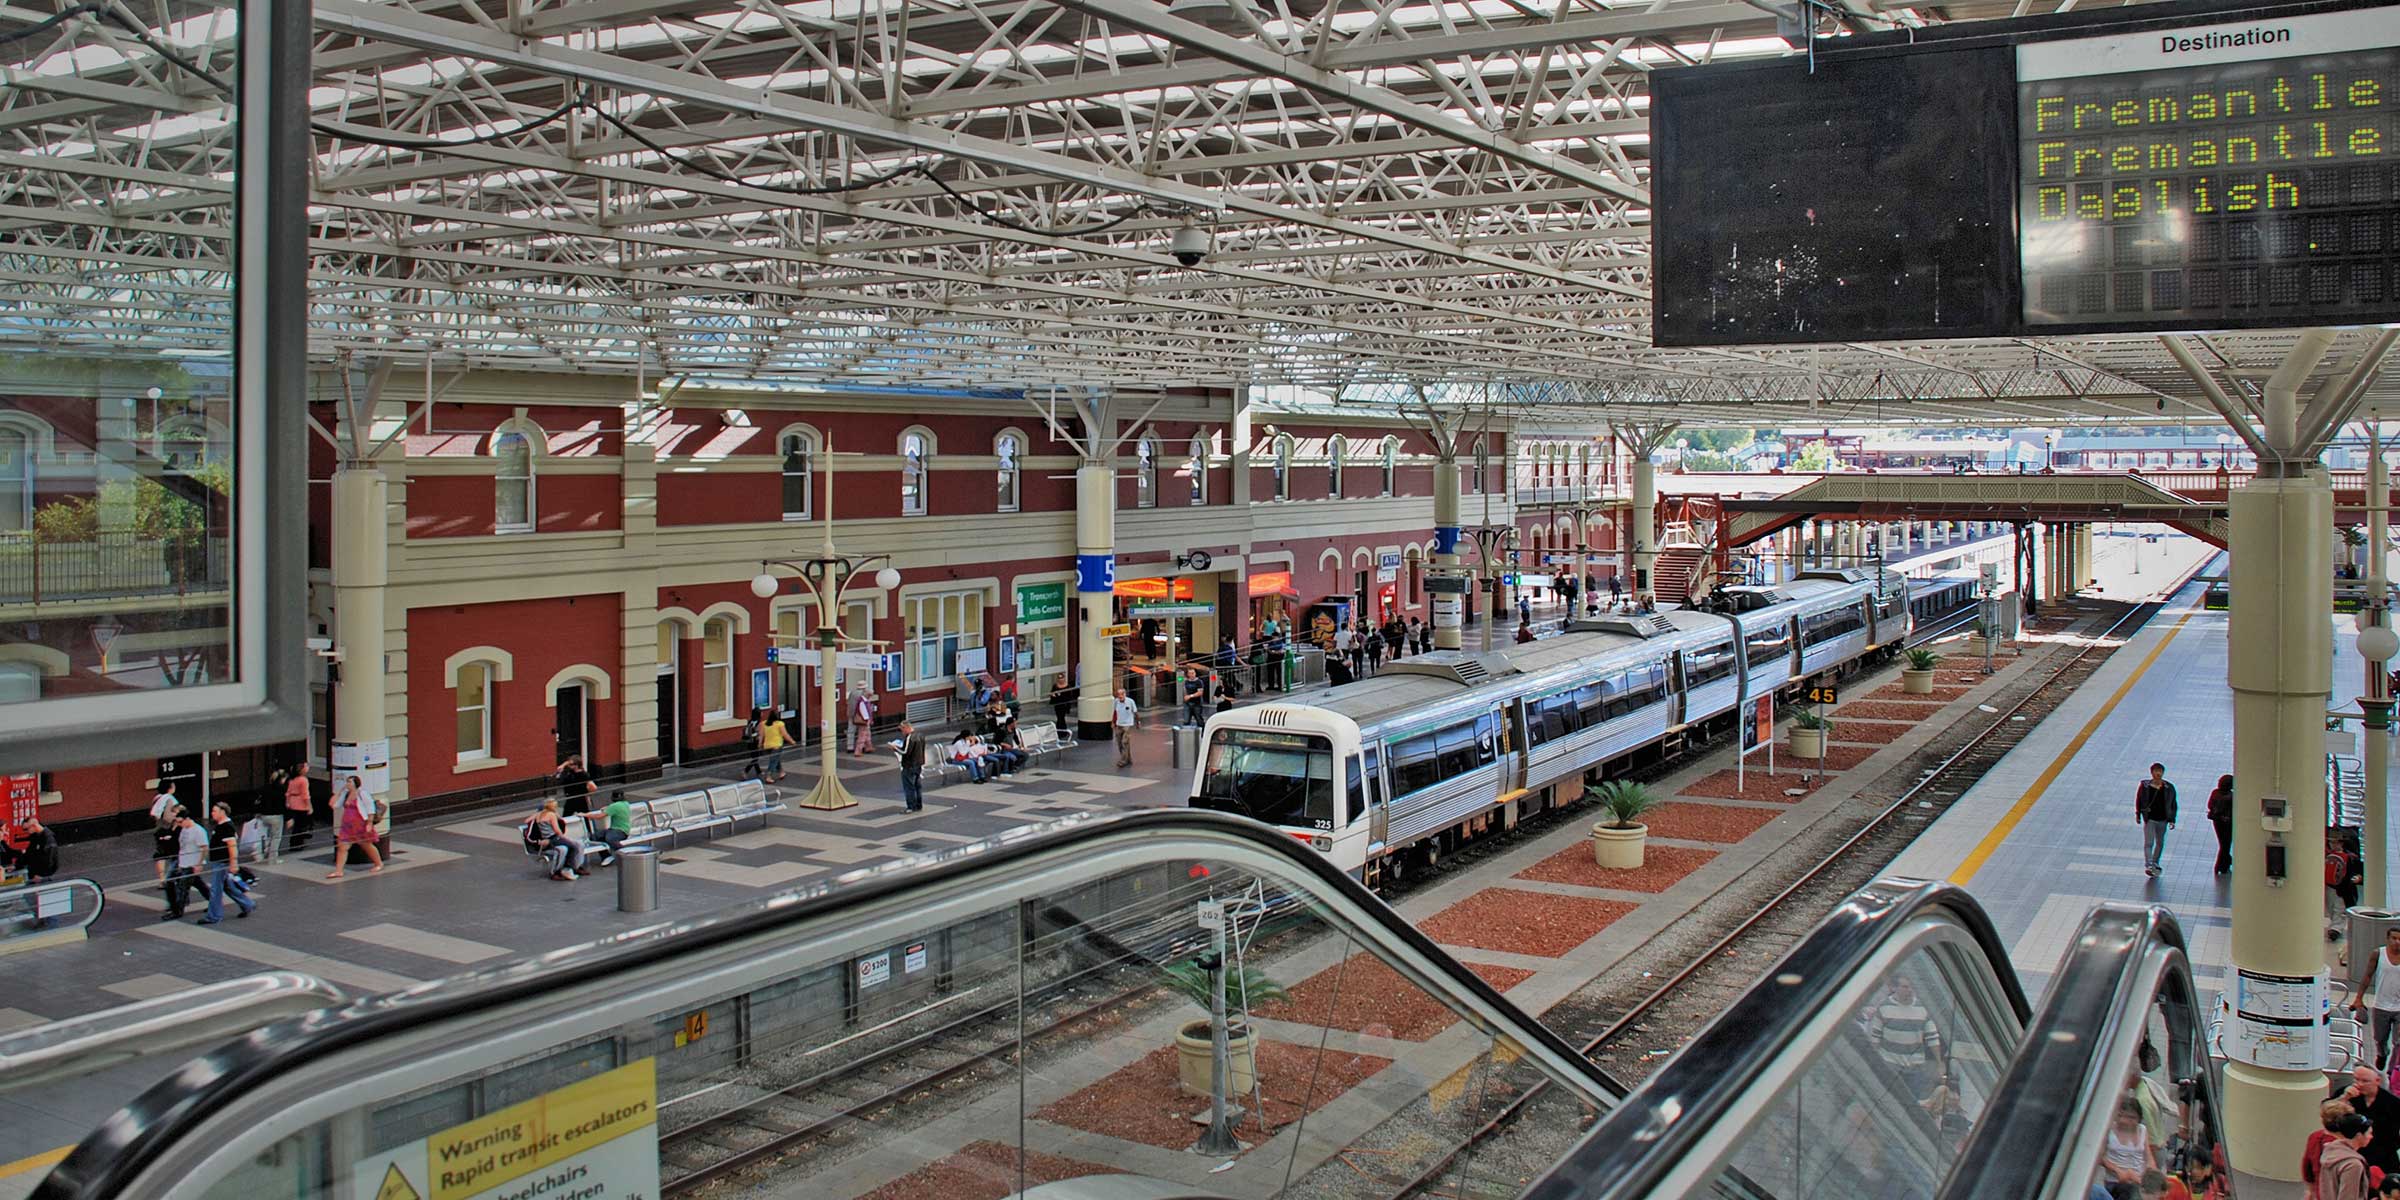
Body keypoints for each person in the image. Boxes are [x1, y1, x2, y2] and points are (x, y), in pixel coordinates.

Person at [1861, 975, 1944, 1098]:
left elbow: (1933, 1037)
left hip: (1915, 1067)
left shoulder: (1922, 1008)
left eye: (1910, 987)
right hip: (1891, 1064)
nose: (1909, 990)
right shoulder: (1884, 1007)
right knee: (1889, 1098)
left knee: (1913, 1100)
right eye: (1905, 987)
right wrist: (1874, 1062)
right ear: (1894, 988)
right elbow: (1875, 1037)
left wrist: (1939, 1062)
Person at [198, 801, 254, 924]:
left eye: (214, 811)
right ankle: (247, 904)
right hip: (220, 861)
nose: (212, 813)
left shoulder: (227, 827)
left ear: (222, 812)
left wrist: (234, 863)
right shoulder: (221, 825)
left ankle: (214, 916)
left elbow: (232, 846)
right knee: (228, 887)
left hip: (222, 862)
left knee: (216, 889)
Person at [2338, 1064, 2400, 1177]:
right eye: (2356, 1079)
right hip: (2353, 1153)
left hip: (2384, 1158)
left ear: (2377, 1081)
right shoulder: (2347, 1094)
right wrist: (2344, 1098)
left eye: (2365, 1081)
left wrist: (2393, 1145)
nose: (2359, 1084)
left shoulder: (2392, 1103)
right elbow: (2327, 1111)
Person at [326, 774, 384, 880]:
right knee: (342, 847)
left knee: (366, 845)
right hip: (347, 826)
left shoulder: (362, 793)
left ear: (355, 784)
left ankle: (378, 863)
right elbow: (334, 805)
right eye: (347, 782)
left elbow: (370, 807)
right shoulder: (346, 794)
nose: (347, 784)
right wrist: (339, 792)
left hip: (360, 824)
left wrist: (369, 823)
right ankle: (339, 871)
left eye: (350, 782)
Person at [2099, 1097, 2155, 1200]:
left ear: (2139, 1118)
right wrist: (2119, 1171)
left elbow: (2148, 1155)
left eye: (2131, 1117)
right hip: (2115, 1181)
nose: (2125, 1121)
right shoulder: (2109, 1130)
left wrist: (2149, 1172)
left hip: (2138, 1180)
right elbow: (2099, 1157)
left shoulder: (2142, 1130)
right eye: (2121, 1116)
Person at [524, 798, 585, 881]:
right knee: (573, 846)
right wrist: (564, 837)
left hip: (548, 839)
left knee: (571, 846)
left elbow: (526, 820)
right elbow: (557, 830)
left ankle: (569, 868)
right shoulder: (551, 815)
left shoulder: (539, 815)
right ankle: (568, 868)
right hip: (554, 837)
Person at [2308, 1099, 2357, 1200]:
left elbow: (2307, 1169)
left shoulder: (2315, 1137)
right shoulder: (2346, 1144)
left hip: (2319, 1192)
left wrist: (2311, 1191)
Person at [2135, 762, 2177, 878]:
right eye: (2156, 771)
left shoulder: (2169, 787)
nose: (2158, 773)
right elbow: (2139, 800)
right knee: (2149, 842)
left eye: (2160, 771)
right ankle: (2149, 864)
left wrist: (2172, 819)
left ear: (2163, 773)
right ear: (2151, 773)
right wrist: (2138, 814)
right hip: (2150, 819)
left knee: (2160, 842)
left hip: (2163, 819)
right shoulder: (2145, 786)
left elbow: (2173, 803)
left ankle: (2155, 862)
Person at [2321, 1112, 2374, 1200]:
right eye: (2369, 1133)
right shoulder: (2353, 1165)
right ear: (2359, 1136)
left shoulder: (2330, 1153)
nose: (2371, 1136)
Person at [153, 806, 187, 920]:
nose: (173, 815)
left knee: (171, 881)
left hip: (180, 857)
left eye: (175, 813)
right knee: (192, 881)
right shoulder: (173, 824)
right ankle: (179, 902)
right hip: (174, 855)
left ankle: (175, 907)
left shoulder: (183, 827)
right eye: (172, 813)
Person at [588, 790, 632, 866]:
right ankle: (606, 856)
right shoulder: (625, 804)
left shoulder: (615, 806)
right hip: (617, 830)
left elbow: (599, 816)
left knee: (610, 838)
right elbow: (612, 808)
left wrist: (585, 815)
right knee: (596, 836)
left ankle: (625, 854)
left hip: (621, 831)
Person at [891, 721, 927, 813]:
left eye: (902, 730)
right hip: (918, 764)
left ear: (906, 728)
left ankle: (911, 806)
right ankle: (919, 805)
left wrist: (895, 748)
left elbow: (905, 752)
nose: (902, 732)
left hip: (909, 765)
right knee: (917, 786)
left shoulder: (910, 738)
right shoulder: (920, 735)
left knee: (909, 787)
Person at [2206, 773, 2234, 875]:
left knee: (2222, 843)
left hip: (2217, 821)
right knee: (2226, 844)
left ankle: (2224, 863)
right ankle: (2221, 865)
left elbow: (2210, 805)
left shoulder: (2215, 793)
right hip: (2227, 823)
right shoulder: (2231, 796)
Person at [284, 768, 315, 853]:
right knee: (301, 825)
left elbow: (288, 792)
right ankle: (298, 844)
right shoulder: (303, 780)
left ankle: (293, 844)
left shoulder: (292, 779)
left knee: (296, 826)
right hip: (301, 804)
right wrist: (309, 807)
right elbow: (305, 795)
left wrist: (288, 802)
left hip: (293, 802)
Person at [758, 710, 793, 783]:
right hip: (777, 745)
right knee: (773, 761)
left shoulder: (763, 723)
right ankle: (768, 776)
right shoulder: (780, 724)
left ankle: (781, 772)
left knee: (775, 758)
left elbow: (761, 735)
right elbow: (785, 735)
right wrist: (792, 741)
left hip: (767, 746)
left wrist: (760, 744)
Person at [848, 687, 877, 756]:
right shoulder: (862, 702)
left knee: (867, 734)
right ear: (867, 695)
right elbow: (864, 712)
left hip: (866, 721)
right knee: (862, 736)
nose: (871, 697)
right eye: (870, 695)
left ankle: (868, 747)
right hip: (864, 721)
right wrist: (867, 720)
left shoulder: (864, 701)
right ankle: (858, 751)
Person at [1113, 687, 1138, 767]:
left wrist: (1138, 722)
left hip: (1127, 725)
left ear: (1125, 694)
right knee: (1120, 743)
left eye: (1121, 694)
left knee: (1125, 742)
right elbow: (1115, 712)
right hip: (1119, 724)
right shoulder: (1116, 701)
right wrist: (1113, 722)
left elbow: (1135, 712)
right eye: (1118, 694)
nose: (1120, 696)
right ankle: (1128, 758)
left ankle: (1123, 760)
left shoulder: (1130, 701)